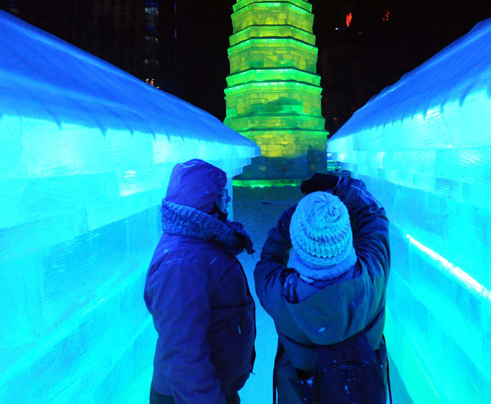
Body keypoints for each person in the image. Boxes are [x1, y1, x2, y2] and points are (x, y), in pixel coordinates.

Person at [254, 173, 391, 403]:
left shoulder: (279, 293)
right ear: (346, 236)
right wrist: (341, 185)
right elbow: (373, 216)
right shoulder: (374, 275)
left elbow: (269, 259)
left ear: (297, 241)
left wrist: (295, 217)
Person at [144, 159, 256, 404]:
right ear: (204, 202)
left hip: (210, 386)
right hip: (192, 394)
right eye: (221, 196)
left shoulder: (198, 242)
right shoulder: (182, 264)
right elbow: (183, 354)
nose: (227, 203)